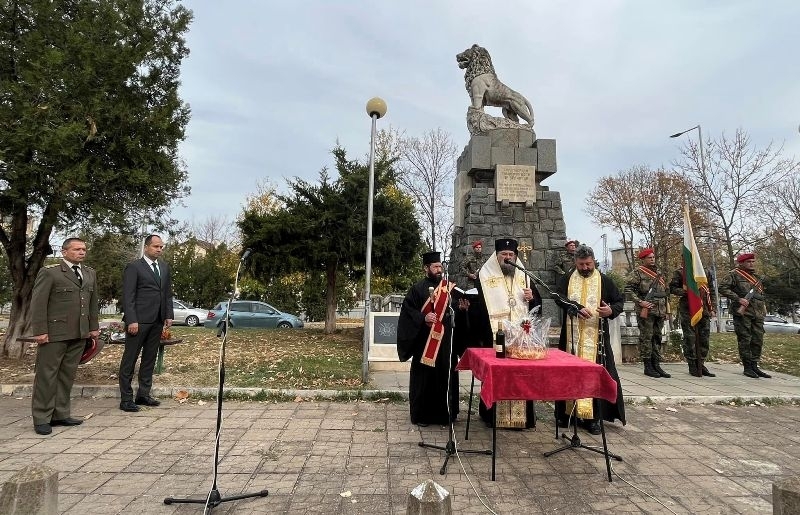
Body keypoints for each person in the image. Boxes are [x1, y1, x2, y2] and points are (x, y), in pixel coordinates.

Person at [29, 238, 99, 435]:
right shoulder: (50, 272)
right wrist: (40, 331)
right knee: (47, 375)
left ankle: (60, 414)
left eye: (84, 249)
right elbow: (39, 303)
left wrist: (93, 328)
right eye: (77, 249)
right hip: (54, 333)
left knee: (67, 375)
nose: (82, 252)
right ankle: (42, 417)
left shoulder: (89, 273)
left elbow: (93, 302)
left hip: (79, 333)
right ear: (65, 251)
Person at [554, 245, 626, 435]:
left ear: (594, 261)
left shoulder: (604, 280)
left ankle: (593, 418)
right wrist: (575, 307)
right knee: (568, 374)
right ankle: (567, 414)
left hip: (597, 339)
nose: (585, 268)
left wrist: (611, 310)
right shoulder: (568, 278)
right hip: (571, 336)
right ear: (575, 263)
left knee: (594, 375)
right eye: (581, 264)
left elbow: (619, 301)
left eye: (588, 264)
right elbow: (557, 296)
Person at [471, 238, 541, 428]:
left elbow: (537, 307)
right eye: (504, 255)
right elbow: (476, 309)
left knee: (521, 375)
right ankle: (492, 416)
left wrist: (532, 298)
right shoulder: (484, 276)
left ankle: (521, 419)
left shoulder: (524, 276)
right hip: (493, 335)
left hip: (520, 337)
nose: (508, 258)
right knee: (496, 374)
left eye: (511, 255)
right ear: (496, 256)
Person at [397, 251, 469, 426]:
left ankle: (446, 415)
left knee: (446, 377)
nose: (439, 269)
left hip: (446, 344)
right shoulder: (417, 289)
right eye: (435, 266)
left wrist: (462, 309)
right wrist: (423, 318)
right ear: (426, 268)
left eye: (440, 266)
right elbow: (408, 312)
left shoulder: (449, 289)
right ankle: (422, 416)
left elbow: (454, 314)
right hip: (425, 343)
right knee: (425, 380)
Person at [118, 234, 174, 412]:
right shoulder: (134, 267)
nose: (159, 249)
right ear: (146, 248)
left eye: (161, 247)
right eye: (156, 246)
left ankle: (143, 394)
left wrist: (168, 314)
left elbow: (166, 293)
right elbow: (128, 296)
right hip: (139, 321)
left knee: (149, 359)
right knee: (130, 359)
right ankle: (126, 399)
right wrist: (132, 319)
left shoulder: (164, 268)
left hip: (157, 320)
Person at [719, 253, 769, 378]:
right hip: (743, 313)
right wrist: (738, 299)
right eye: (748, 262)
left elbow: (760, 296)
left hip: (757, 313)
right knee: (745, 340)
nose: (751, 263)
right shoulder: (734, 275)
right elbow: (722, 288)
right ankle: (747, 367)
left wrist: (763, 308)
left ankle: (754, 365)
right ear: (741, 263)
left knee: (758, 340)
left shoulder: (756, 277)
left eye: (753, 261)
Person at [625, 248, 670, 378]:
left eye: (653, 257)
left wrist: (667, 310)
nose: (652, 259)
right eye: (649, 258)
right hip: (647, 310)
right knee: (646, 338)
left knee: (657, 337)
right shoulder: (638, 273)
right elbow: (628, 289)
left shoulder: (659, 273)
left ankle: (657, 365)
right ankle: (648, 366)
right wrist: (640, 302)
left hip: (659, 310)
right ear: (643, 259)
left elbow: (665, 292)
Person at [670, 264, 717, 377]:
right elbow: (672, 288)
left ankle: (701, 363)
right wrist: (688, 292)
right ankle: (692, 364)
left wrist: (713, 308)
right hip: (688, 308)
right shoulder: (680, 272)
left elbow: (711, 290)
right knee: (690, 338)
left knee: (704, 338)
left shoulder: (704, 271)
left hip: (704, 308)